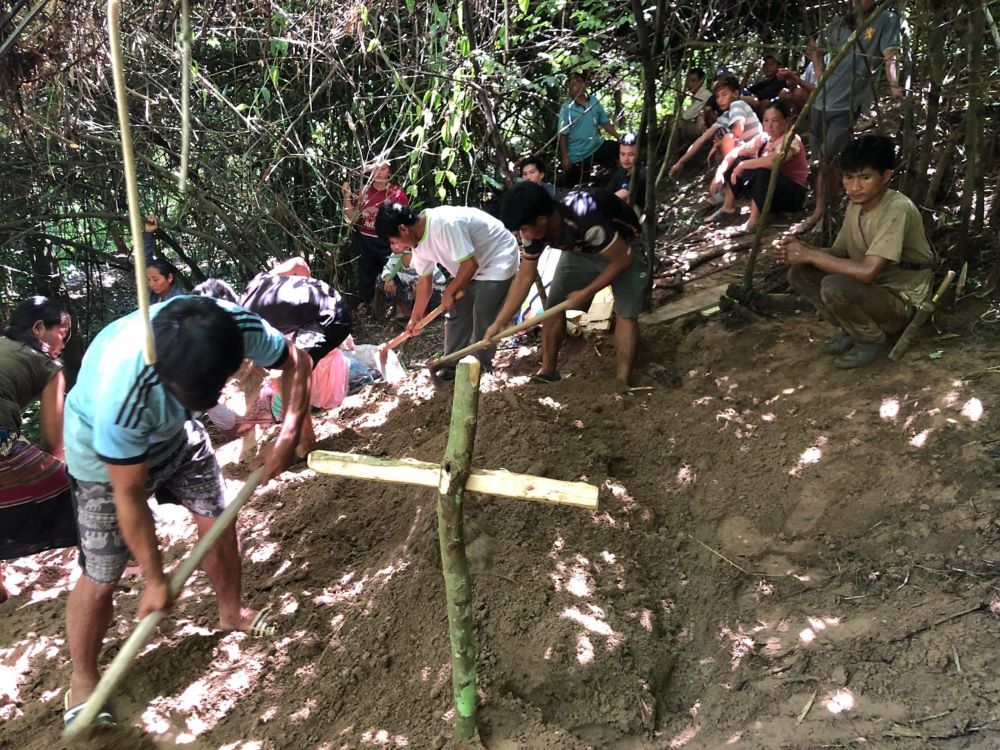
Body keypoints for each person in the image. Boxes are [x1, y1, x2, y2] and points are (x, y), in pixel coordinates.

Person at [62, 295, 312, 726]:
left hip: (177, 437)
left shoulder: (229, 326)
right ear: (163, 374)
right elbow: (129, 495)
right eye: (198, 395)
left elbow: (298, 361)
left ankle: (231, 613)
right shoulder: (122, 394)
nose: (211, 400)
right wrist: (156, 578)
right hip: (102, 464)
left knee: (218, 518)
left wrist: (289, 433)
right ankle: (82, 679)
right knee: (103, 572)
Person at [773, 135, 934, 369]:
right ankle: (852, 328)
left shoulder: (897, 209)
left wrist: (810, 255)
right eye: (848, 178)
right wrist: (800, 251)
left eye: (865, 178)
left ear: (886, 176)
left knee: (834, 285)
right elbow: (840, 252)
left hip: (902, 301)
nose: (854, 187)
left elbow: (868, 271)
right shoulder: (855, 205)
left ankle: (870, 340)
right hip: (873, 292)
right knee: (800, 273)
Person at [488, 182, 647, 385]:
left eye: (524, 229)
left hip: (625, 247)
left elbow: (623, 259)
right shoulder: (533, 230)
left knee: (626, 312)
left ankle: (622, 381)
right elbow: (525, 276)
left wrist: (586, 292)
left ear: (542, 220)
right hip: (581, 252)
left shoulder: (583, 217)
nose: (523, 235)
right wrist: (499, 323)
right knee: (553, 307)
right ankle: (547, 372)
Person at [374, 202, 519, 380]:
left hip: (498, 256)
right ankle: (450, 365)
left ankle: (481, 368)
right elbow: (425, 281)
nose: (395, 246)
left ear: (403, 229)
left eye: (393, 241)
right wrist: (416, 316)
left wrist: (449, 291)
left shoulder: (443, 224)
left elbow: (469, 264)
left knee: (483, 312)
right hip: (472, 268)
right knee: (456, 311)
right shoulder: (418, 243)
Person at [0, 297, 78, 603]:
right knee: (81, 487)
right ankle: (122, 551)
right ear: (38, 328)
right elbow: (53, 444)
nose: (64, 342)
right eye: (62, 332)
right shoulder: (48, 365)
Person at [803, 0, 903, 229]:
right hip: (822, 100)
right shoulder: (838, 25)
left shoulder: (886, 19)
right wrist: (816, 59)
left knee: (828, 157)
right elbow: (821, 66)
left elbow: (890, 56)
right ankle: (828, 208)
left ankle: (821, 213)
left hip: (847, 104)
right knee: (819, 162)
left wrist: (894, 85)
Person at [709, 99, 809, 233]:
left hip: (791, 195)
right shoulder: (763, 138)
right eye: (766, 120)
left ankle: (753, 221)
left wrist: (744, 165)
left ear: (787, 121)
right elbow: (734, 153)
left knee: (762, 170)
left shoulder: (791, 140)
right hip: (769, 192)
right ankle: (728, 207)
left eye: (775, 120)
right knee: (737, 160)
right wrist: (719, 174)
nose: (769, 126)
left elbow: (773, 162)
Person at [669, 75, 762, 192]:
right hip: (746, 155)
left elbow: (738, 129)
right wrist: (680, 163)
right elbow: (702, 138)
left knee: (725, 138)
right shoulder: (724, 117)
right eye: (717, 96)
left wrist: (718, 144)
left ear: (735, 93)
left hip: (755, 154)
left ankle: (730, 195)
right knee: (719, 135)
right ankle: (729, 190)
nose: (720, 100)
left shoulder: (737, 105)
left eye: (724, 94)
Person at [342, 160, 410, 311]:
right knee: (366, 275)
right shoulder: (362, 193)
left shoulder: (397, 195)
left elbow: (405, 222)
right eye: (376, 169)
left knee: (395, 274)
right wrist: (347, 196)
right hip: (366, 240)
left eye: (383, 168)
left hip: (388, 241)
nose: (379, 172)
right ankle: (368, 308)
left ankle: (401, 308)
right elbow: (352, 219)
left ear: (389, 171)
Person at [558, 72, 621, 187]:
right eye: (574, 85)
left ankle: (626, 179)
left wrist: (619, 137)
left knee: (618, 149)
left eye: (580, 82)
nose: (579, 86)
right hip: (578, 155)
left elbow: (604, 122)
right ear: (570, 90)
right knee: (575, 185)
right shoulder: (567, 108)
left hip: (596, 146)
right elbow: (563, 134)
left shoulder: (593, 101)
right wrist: (565, 157)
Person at [377, 250, 445, 322]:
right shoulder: (395, 256)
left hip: (433, 293)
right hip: (410, 290)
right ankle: (405, 310)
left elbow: (438, 281)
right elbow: (387, 269)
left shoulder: (421, 259)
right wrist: (388, 278)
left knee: (419, 289)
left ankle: (423, 314)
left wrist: (420, 289)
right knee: (381, 279)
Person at [605, 133, 648, 211]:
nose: (626, 159)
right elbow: (607, 191)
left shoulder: (642, 173)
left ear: (639, 154)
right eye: (622, 154)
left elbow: (624, 194)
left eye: (631, 155)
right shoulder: (622, 172)